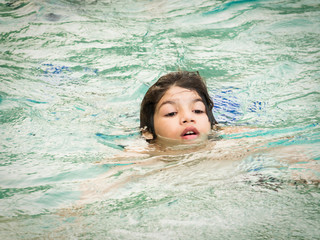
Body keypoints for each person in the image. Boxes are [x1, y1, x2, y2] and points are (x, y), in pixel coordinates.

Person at [140, 71, 219, 146]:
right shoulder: (141, 157)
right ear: (147, 132)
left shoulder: (225, 147)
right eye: (171, 113)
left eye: (197, 111)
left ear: (212, 125)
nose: (188, 118)